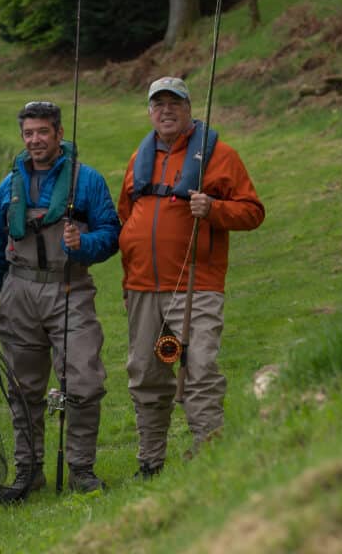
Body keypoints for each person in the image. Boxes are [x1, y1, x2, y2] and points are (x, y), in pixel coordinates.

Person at [117, 76, 265, 479]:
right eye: (158, 104)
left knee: (198, 367)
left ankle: (209, 454)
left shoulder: (220, 156)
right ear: (150, 112)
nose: (166, 110)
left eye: (174, 103)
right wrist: (129, 274)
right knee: (148, 373)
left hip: (197, 286)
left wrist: (214, 208)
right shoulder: (138, 158)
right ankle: (150, 461)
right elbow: (126, 218)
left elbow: (252, 211)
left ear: (188, 108)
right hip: (144, 289)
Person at [0, 101, 120, 495]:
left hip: (70, 288)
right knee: (22, 388)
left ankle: (81, 470)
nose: (35, 140)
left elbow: (112, 235)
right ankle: (28, 471)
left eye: (42, 132)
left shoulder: (85, 181)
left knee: (85, 381)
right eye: (29, 133)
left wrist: (83, 242)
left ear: (58, 134)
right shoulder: (9, 186)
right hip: (19, 292)